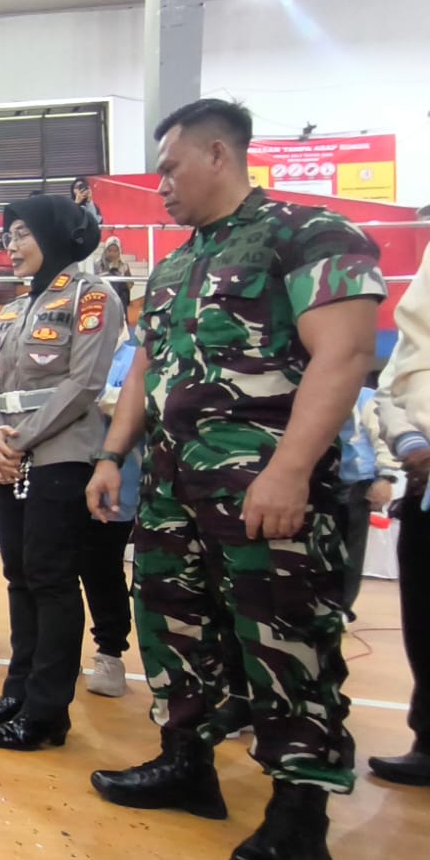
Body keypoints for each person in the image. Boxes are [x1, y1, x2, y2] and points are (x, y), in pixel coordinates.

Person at [86, 99, 381, 858]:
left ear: (219, 155)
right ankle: (189, 763)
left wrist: (287, 471)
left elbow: (343, 355)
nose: (162, 185)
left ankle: (299, 812)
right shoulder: (179, 262)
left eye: (170, 167)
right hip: (173, 490)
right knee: (175, 625)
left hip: (263, 491)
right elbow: (145, 367)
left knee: (284, 638)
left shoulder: (309, 235)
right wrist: (113, 454)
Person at [0, 196, 122, 751]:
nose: (9, 245)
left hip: (60, 457)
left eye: (22, 233)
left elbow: (83, 386)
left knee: (53, 581)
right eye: (7, 235)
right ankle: (18, 693)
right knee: (21, 578)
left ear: (56, 235)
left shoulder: (93, 297)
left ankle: (48, 712)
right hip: (9, 456)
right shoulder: (11, 309)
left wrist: (18, 442)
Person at [369, 347, 430, 786]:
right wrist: (413, 443)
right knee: (424, 625)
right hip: (426, 480)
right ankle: (428, 744)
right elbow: (392, 388)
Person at [82, 328, 142, 698]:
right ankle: (60, 648)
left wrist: (92, 397)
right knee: (53, 571)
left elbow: (143, 403)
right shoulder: (73, 351)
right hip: (63, 476)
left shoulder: (136, 356)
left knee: (102, 570)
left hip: (120, 483)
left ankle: (110, 653)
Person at [335, 386, 396, 616]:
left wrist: (386, 477)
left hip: (355, 481)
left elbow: (382, 437)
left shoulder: (365, 397)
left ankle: (342, 608)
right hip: (318, 480)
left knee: (351, 551)